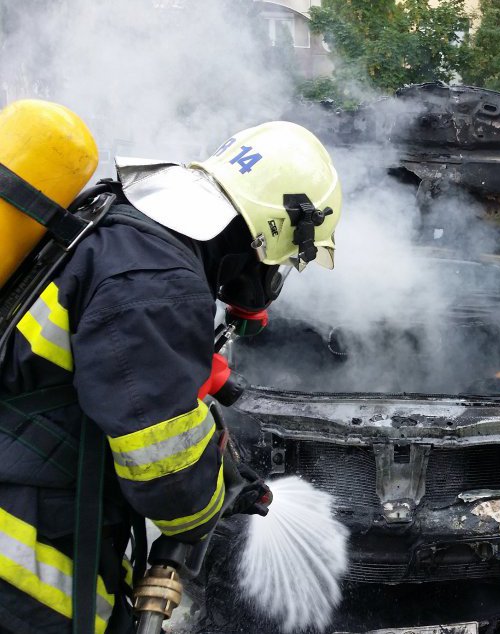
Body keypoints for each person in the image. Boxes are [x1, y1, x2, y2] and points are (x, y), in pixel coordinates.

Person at [0, 121, 342, 633]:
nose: (274, 276)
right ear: (271, 228)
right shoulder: (159, 281)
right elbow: (168, 482)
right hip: (27, 547)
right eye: (286, 259)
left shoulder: (124, 223)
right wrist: (215, 489)